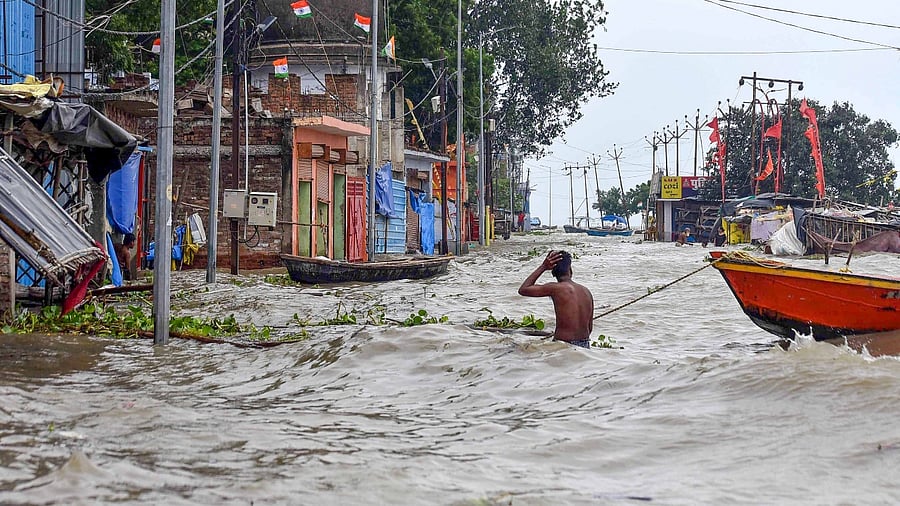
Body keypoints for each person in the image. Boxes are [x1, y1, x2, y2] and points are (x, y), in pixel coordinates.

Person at [518, 250, 594, 348]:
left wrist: (543, 267)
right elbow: (589, 328)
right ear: (570, 270)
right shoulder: (586, 291)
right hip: (585, 344)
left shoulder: (556, 288)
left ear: (553, 272)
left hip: (564, 346)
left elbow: (523, 289)